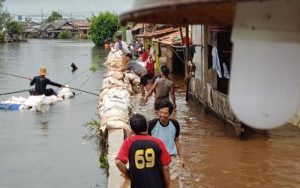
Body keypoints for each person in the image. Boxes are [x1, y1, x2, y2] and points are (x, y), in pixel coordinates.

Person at [115, 113, 171, 188]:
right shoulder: (158, 142)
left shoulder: (129, 142)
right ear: (147, 125)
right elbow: (166, 168)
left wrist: (128, 174)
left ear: (132, 130)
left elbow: (118, 162)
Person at [148, 100, 184, 174]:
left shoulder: (175, 124)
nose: (162, 115)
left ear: (170, 114)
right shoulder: (151, 124)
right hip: (156, 158)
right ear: (158, 111)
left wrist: (181, 158)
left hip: (171, 157)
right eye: (161, 112)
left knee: (173, 181)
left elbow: (176, 140)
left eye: (165, 113)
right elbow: (145, 140)